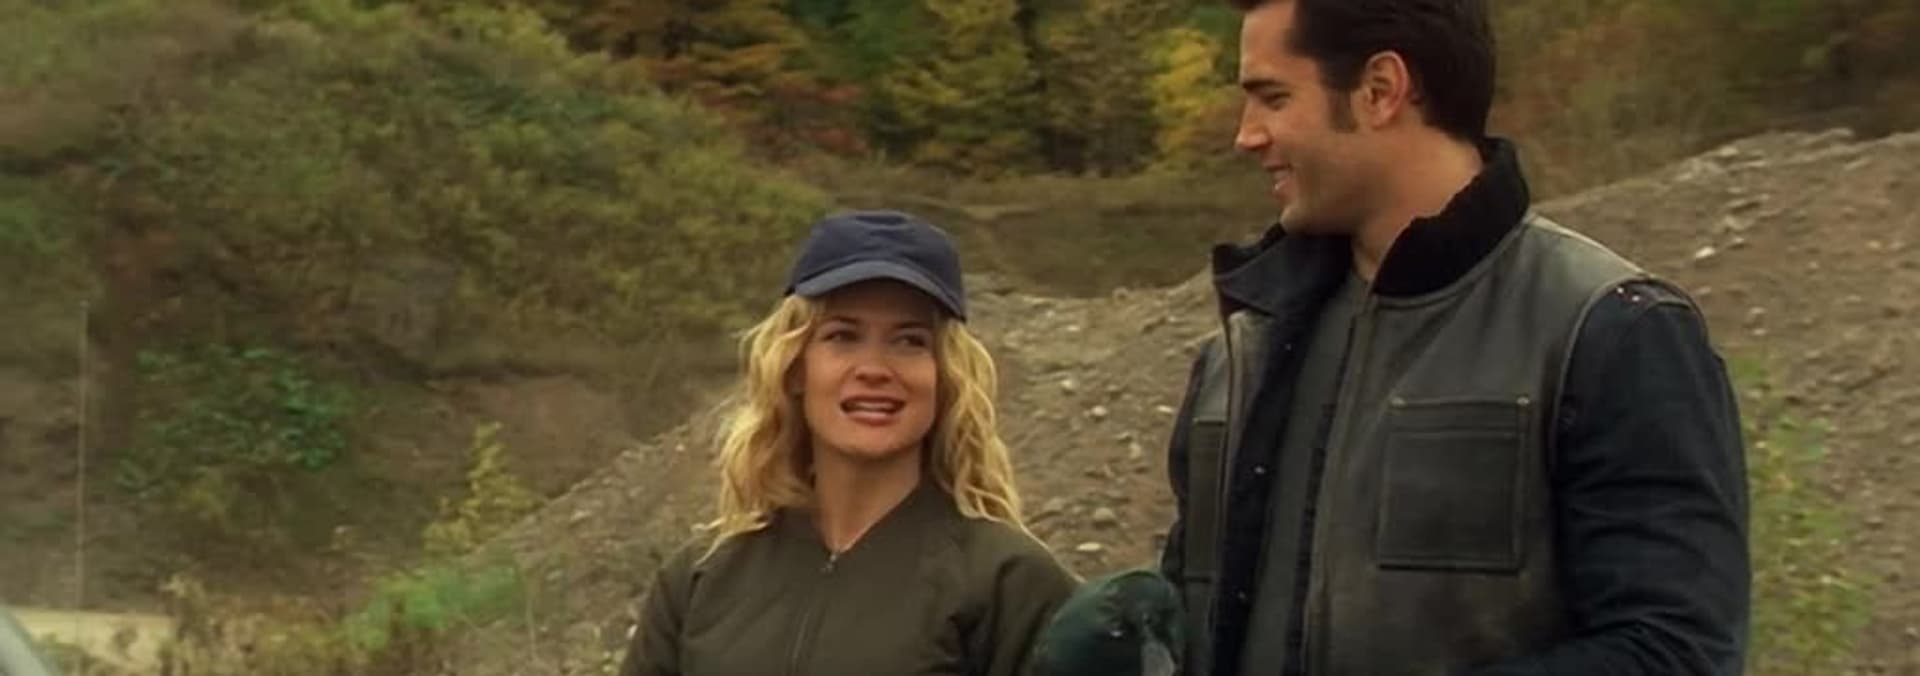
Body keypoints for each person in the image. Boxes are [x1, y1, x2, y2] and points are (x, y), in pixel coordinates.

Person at [1156, 1, 1752, 675]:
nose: (1246, 135)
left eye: (1273, 97)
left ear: (1381, 90)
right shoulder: (1239, 353)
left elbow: (1675, 652)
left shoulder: (1612, 333)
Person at [617, 210, 1078, 676]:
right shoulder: (699, 581)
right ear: (795, 368)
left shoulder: (1010, 584)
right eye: (843, 336)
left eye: (910, 341)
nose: (874, 369)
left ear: (944, 376)